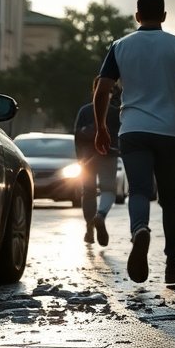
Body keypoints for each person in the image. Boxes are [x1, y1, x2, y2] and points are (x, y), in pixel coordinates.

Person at [93, 0, 175, 284]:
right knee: (172, 199)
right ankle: (173, 267)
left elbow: (103, 88)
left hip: (133, 129)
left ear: (137, 16)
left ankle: (140, 230)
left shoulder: (120, 46)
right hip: (170, 132)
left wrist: (101, 127)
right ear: (163, 16)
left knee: (138, 190)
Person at [73, 77, 121, 247]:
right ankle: (100, 215)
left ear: (94, 90)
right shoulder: (116, 111)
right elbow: (122, 134)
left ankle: (89, 229)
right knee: (108, 188)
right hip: (109, 154)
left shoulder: (85, 111)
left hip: (87, 158)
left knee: (88, 191)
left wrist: (79, 158)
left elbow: (77, 136)